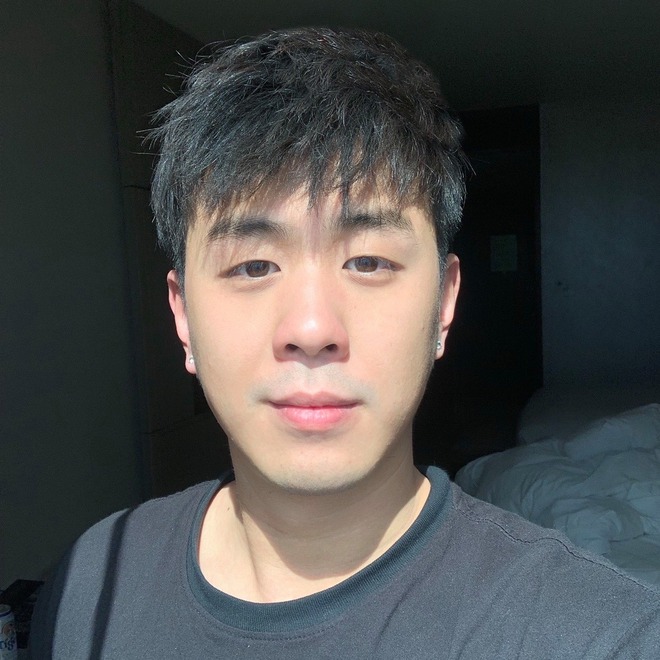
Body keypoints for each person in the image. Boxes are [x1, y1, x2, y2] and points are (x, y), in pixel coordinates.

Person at [30, 27, 659, 659]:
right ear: (183, 316)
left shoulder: (595, 635)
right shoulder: (92, 584)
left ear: (443, 305)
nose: (311, 331)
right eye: (253, 266)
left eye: (368, 262)